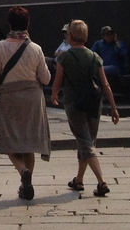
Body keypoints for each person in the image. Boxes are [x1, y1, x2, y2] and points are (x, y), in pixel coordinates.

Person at [0, 6, 51, 201]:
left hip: (9, 99)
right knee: (28, 143)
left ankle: (23, 172)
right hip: (32, 100)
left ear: (9, 24)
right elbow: (46, 79)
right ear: (28, 24)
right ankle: (26, 183)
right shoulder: (36, 48)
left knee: (9, 143)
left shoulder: (1, 47)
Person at [51, 20, 119, 198]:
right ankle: (78, 180)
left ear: (70, 36)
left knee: (85, 142)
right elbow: (105, 84)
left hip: (74, 103)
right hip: (94, 103)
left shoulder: (64, 57)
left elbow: (57, 81)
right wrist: (113, 108)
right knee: (88, 141)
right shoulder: (95, 56)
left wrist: (54, 95)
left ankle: (101, 181)